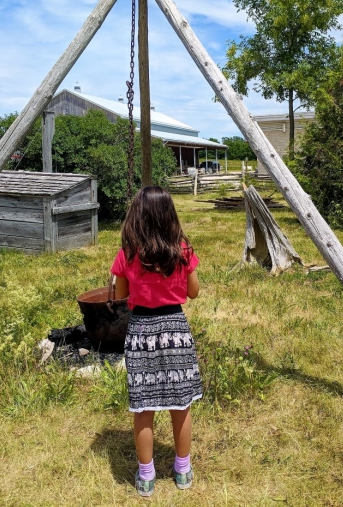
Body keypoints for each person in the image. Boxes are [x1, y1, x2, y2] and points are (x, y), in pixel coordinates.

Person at [110, 186, 203, 498]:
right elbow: (193, 293)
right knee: (181, 405)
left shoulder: (127, 253)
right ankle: (182, 469)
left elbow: (120, 295)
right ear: (170, 215)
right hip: (175, 328)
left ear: (137, 215)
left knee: (143, 407)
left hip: (141, 332)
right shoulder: (183, 250)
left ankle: (146, 476)